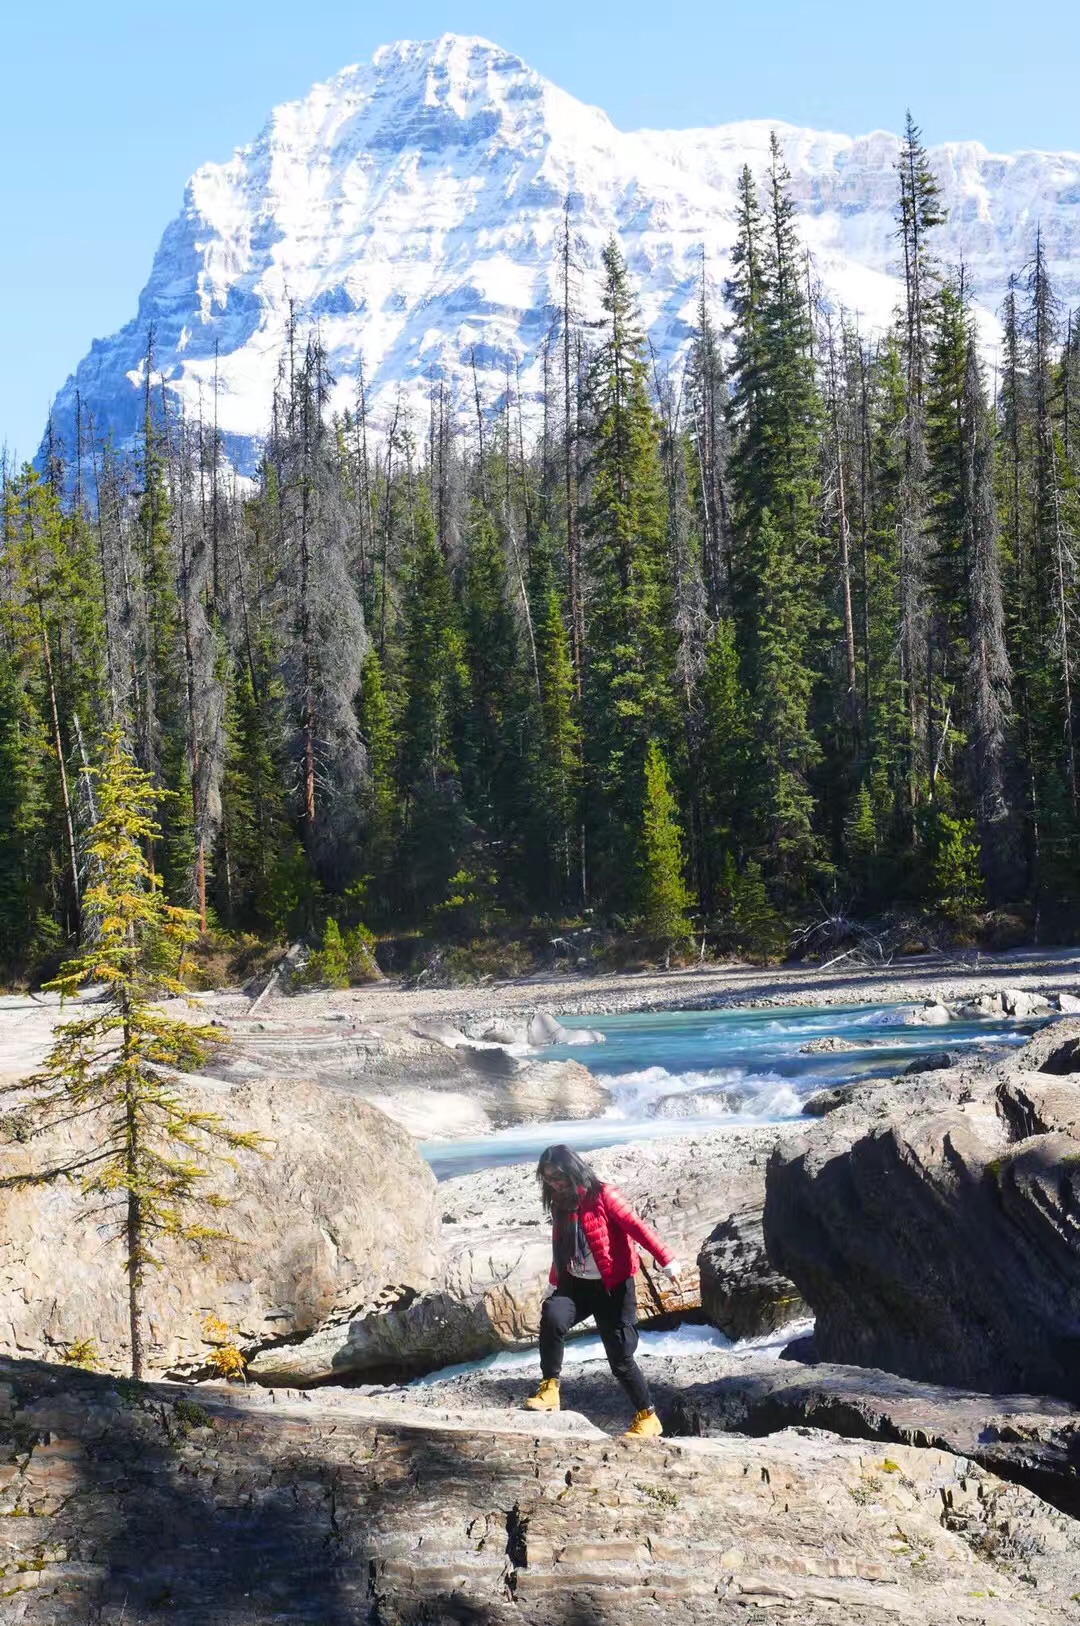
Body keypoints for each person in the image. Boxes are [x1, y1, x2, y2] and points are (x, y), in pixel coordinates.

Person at [522, 1143, 681, 1438]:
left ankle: (648, 1417)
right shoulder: (559, 1202)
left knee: (620, 1358)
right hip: (576, 1284)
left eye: (558, 1176)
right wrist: (554, 1281)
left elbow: (637, 1227)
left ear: (573, 1168)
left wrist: (666, 1259)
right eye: (548, 1179)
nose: (554, 1183)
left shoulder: (604, 1194)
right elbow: (560, 1244)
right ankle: (550, 1390)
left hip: (613, 1287)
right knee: (553, 1315)